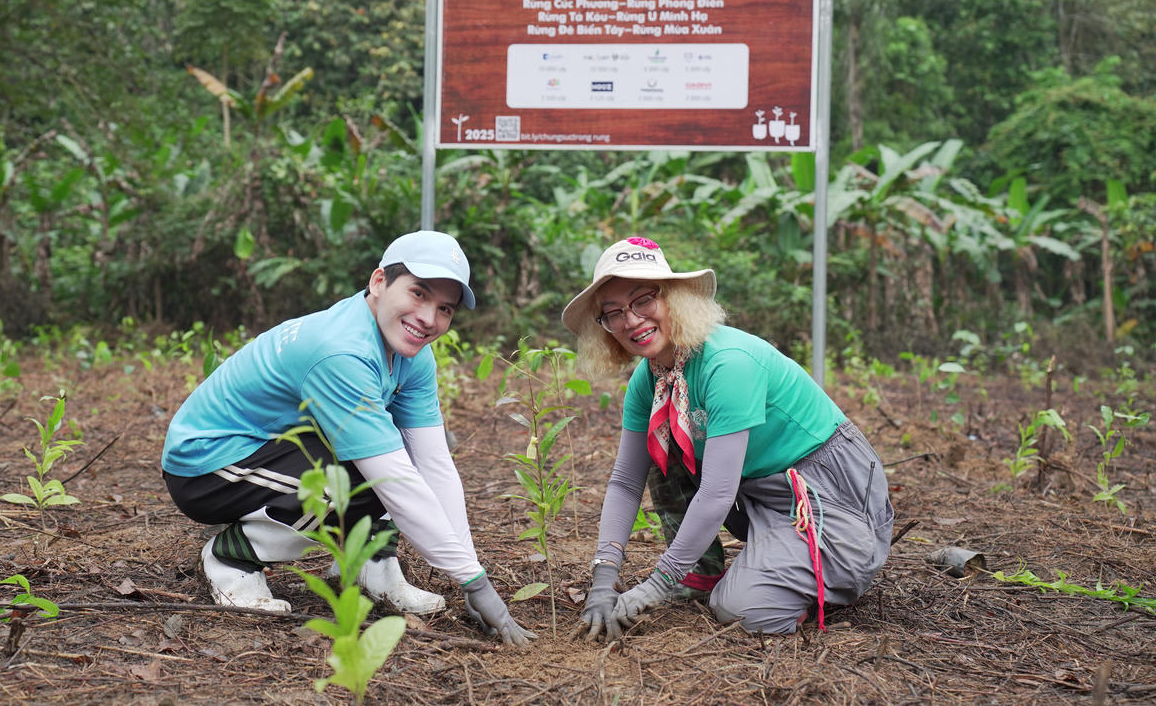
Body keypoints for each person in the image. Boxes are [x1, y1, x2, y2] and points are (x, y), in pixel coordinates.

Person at [162, 230, 535, 646]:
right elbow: (394, 480)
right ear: (379, 282)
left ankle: (370, 563)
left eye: (444, 308)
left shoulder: (412, 353)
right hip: (210, 466)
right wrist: (474, 583)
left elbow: (431, 463)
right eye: (417, 293)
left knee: (394, 455)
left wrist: (471, 574)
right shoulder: (342, 351)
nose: (429, 318)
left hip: (273, 451)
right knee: (360, 472)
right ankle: (232, 558)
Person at [562, 236, 894, 639]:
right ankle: (706, 571)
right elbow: (625, 481)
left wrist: (656, 583)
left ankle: (824, 569)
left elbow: (717, 493)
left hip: (826, 491)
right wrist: (603, 580)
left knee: (739, 611)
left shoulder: (728, 364)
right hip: (758, 494)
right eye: (612, 313)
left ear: (674, 299)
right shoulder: (649, 380)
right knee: (661, 449)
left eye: (643, 300)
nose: (630, 321)